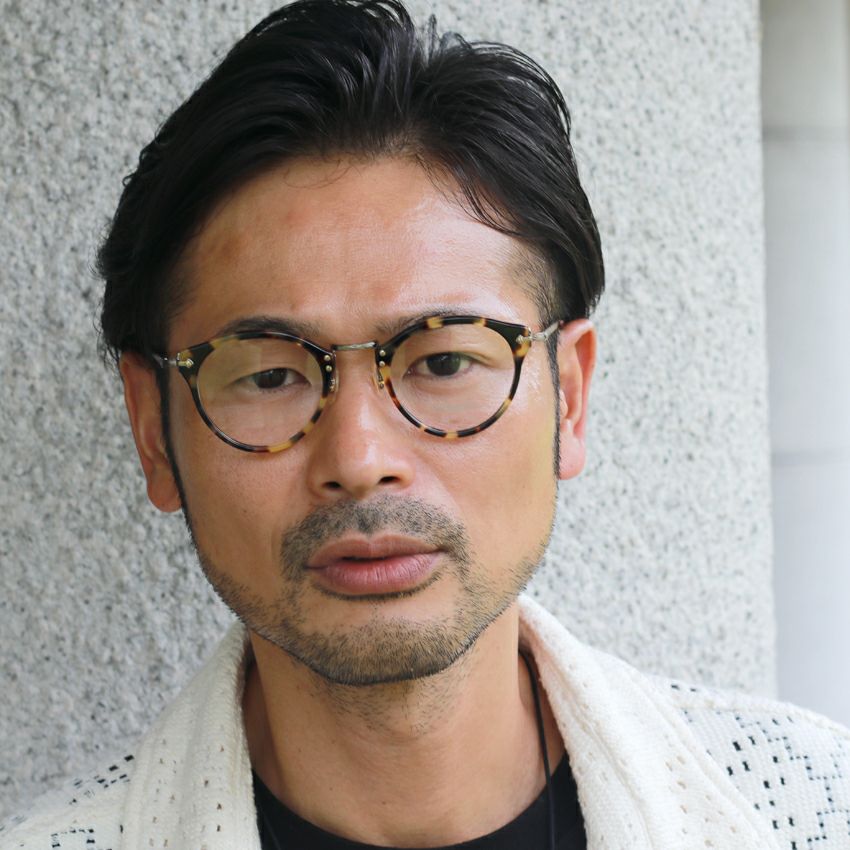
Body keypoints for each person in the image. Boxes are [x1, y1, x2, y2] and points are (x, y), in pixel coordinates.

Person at [2, 1, 848, 848]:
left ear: (569, 397)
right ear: (153, 430)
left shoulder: (813, 812)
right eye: (269, 375)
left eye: (443, 362)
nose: (359, 457)